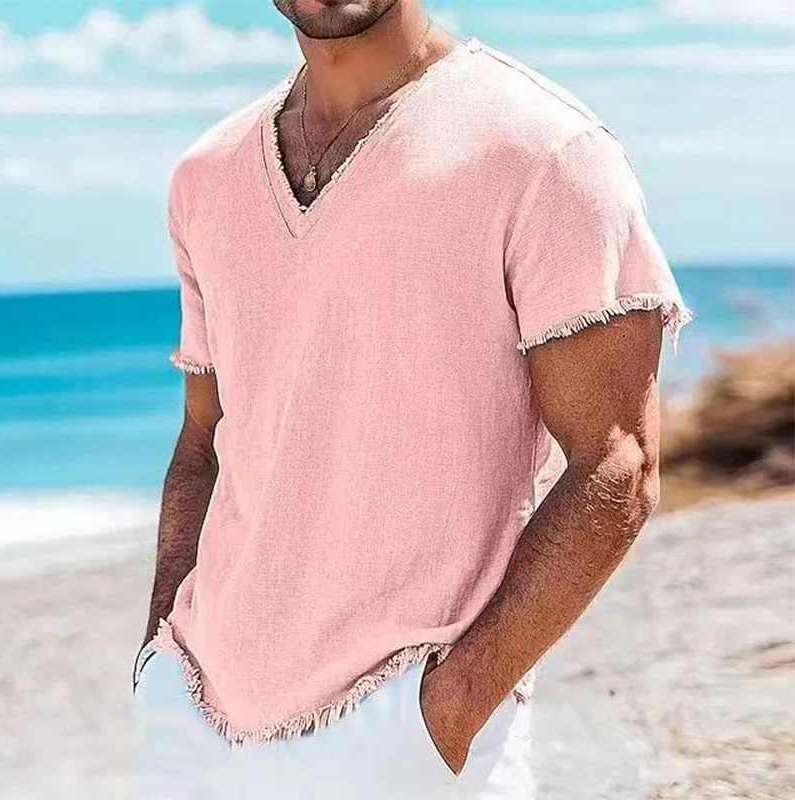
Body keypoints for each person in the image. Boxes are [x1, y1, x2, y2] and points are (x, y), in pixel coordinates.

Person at [131, 1, 691, 798]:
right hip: (195, 722)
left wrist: (448, 711)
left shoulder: (544, 152)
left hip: (405, 732)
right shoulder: (207, 174)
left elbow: (617, 463)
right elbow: (203, 442)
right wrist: (158, 660)